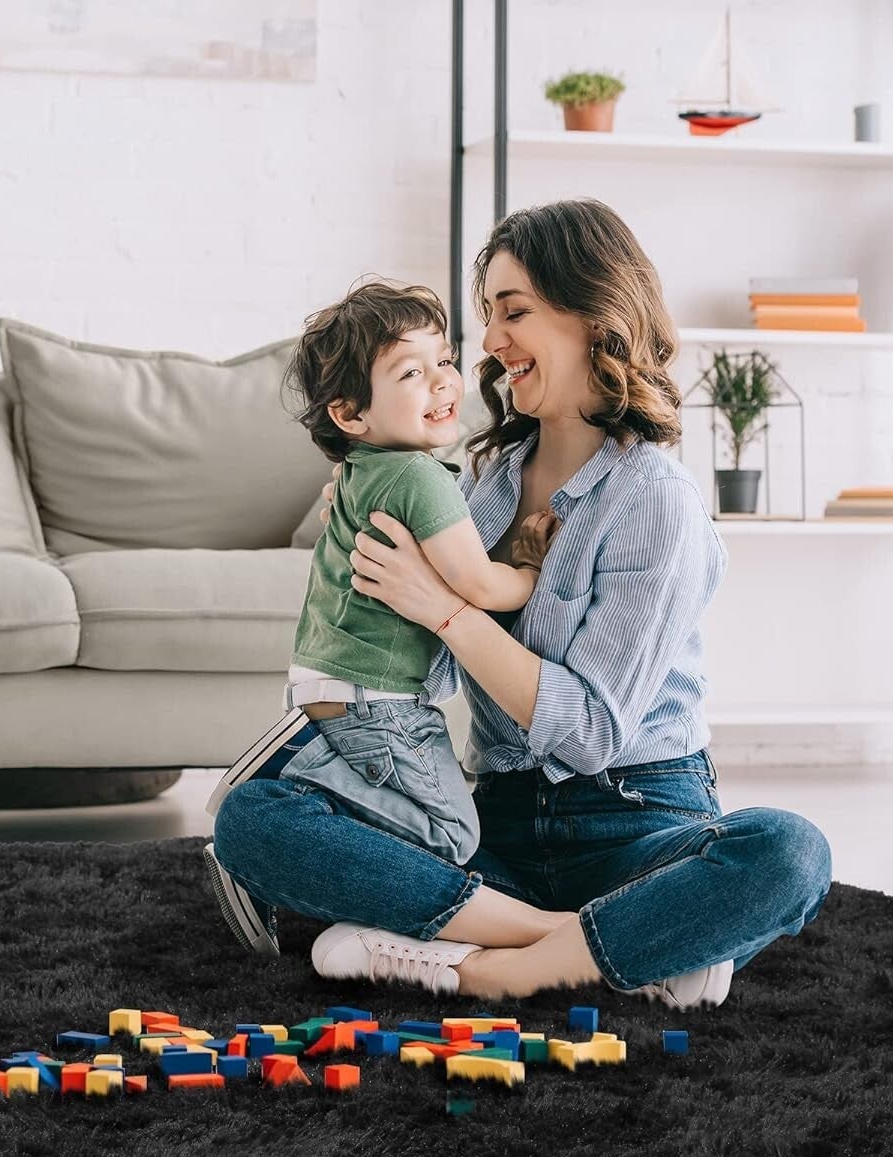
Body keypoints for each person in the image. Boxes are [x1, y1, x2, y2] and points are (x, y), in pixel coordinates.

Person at [207, 198, 832, 1008]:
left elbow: (591, 732)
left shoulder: (655, 500)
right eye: (489, 317)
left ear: (593, 315)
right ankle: (596, 944)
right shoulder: (484, 485)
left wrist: (448, 611)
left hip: (634, 822)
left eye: (514, 312)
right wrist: (364, 515)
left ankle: (489, 967)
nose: (492, 343)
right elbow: (421, 658)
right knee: (252, 818)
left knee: (788, 852)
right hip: (490, 827)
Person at [265, 280, 558, 870]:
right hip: (378, 701)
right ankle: (299, 782)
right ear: (350, 413)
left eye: (444, 361)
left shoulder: (363, 468)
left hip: (329, 684)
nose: (443, 381)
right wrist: (529, 569)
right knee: (453, 836)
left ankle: (302, 803)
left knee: (411, 825)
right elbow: (480, 586)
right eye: (411, 373)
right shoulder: (418, 477)